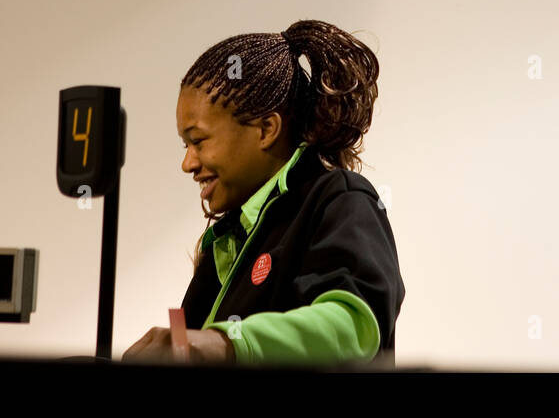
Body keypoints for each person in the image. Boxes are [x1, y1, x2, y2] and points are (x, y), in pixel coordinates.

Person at [122, 19, 404, 366]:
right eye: (185, 144)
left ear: (266, 129)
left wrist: (222, 343)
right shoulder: (225, 242)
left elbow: (351, 327)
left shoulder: (340, 199)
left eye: (198, 141)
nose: (187, 163)